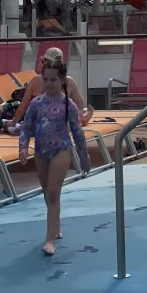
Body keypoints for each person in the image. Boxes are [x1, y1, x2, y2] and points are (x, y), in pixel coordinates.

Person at [19, 57, 90, 255]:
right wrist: (23, 147)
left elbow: (77, 131)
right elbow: (26, 127)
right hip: (41, 151)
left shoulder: (68, 105)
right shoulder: (36, 103)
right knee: (46, 192)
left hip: (61, 149)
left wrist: (84, 156)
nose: (49, 84)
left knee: (52, 193)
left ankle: (50, 239)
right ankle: (56, 225)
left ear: (62, 81)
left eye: (53, 80)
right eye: (46, 79)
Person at [12, 49, 94, 126]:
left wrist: (14, 122)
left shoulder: (35, 80)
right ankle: (87, 114)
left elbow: (23, 106)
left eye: (43, 61)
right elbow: (80, 104)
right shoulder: (69, 81)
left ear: (45, 63)